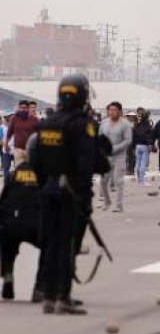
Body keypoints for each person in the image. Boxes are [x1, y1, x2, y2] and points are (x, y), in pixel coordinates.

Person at [31, 74, 106, 314]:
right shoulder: (82, 125)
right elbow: (86, 163)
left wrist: (45, 185)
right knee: (67, 245)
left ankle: (47, 295)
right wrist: (81, 197)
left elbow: (36, 160)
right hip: (72, 194)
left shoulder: (46, 124)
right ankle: (63, 297)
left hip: (48, 191)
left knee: (50, 244)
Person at [0, 151, 42, 301]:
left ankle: (8, 275)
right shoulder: (42, 176)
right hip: (35, 225)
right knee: (49, 249)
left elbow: (3, 200)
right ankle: (39, 287)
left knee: (7, 246)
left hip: (12, 223)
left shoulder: (12, 176)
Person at [99, 102, 132, 212]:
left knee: (118, 181)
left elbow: (128, 140)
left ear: (120, 111)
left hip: (120, 156)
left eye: (115, 110)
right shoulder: (104, 123)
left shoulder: (125, 124)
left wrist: (115, 148)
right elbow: (100, 137)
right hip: (106, 156)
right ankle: (107, 201)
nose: (112, 112)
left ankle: (119, 205)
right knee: (103, 180)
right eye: (110, 110)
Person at [5, 100, 39, 167]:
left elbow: (39, 134)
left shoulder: (35, 119)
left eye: (24, 107)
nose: (22, 109)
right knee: (19, 170)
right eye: (21, 107)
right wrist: (6, 144)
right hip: (18, 149)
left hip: (30, 150)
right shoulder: (14, 118)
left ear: (28, 108)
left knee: (31, 169)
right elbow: (9, 132)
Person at [132, 110, 153, 187]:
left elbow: (133, 136)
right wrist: (150, 144)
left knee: (138, 163)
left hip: (137, 145)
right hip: (145, 146)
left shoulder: (137, 125)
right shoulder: (148, 126)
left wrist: (134, 145)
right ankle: (142, 181)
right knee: (143, 164)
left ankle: (139, 181)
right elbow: (151, 135)